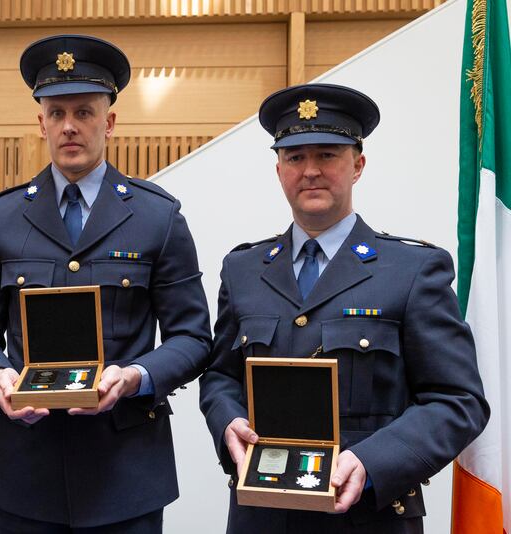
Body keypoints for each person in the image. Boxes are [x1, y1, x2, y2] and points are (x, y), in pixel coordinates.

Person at [198, 83, 490, 533]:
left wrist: (371, 461)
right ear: (279, 170)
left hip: (368, 515)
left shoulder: (413, 270)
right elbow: (220, 375)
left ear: (358, 165)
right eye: (295, 157)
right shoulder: (242, 270)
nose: (310, 171)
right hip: (261, 515)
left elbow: (458, 401)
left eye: (328, 155)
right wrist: (228, 421)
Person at [0, 34, 211, 532]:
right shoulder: (1, 217)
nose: (69, 126)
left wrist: (137, 376)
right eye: (57, 113)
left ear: (109, 122)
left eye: (85, 112)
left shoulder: (158, 217)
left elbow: (194, 337)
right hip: (25, 471)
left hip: (126, 472)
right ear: (41, 123)